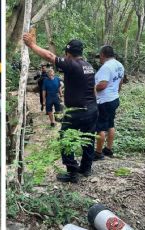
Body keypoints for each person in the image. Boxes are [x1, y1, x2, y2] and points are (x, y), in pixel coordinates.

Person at [23, 33, 98, 182]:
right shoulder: (88, 66)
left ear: (68, 54)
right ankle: (86, 168)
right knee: (88, 139)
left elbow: (51, 56)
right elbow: (93, 88)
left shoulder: (72, 64)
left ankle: (72, 172)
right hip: (91, 109)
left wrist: (32, 45)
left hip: (76, 111)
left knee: (65, 138)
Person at [94, 45, 124, 160]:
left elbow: (102, 85)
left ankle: (98, 152)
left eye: (99, 56)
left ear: (103, 55)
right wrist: (116, 92)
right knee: (110, 124)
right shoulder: (119, 65)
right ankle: (108, 149)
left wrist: (90, 89)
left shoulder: (106, 67)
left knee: (100, 127)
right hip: (114, 98)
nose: (99, 59)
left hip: (104, 101)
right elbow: (120, 81)